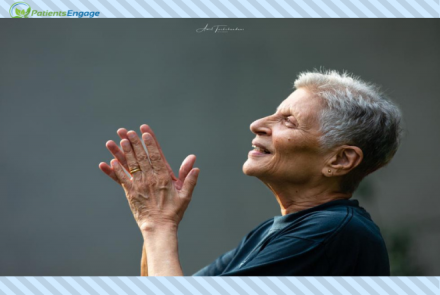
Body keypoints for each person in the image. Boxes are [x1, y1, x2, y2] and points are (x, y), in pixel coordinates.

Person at [99, 70, 402, 276]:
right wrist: (155, 212)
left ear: (340, 159)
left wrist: (158, 223)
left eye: (288, 121)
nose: (257, 123)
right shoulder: (278, 231)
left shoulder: (333, 232)